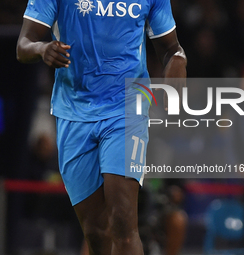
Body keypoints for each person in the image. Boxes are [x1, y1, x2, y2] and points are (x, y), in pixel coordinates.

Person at [16, 0, 187, 254]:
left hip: (128, 107)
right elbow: (23, 45)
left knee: (122, 220)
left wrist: (178, 61)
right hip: (73, 111)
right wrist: (42, 48)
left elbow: (170, 47)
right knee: (95, 231)